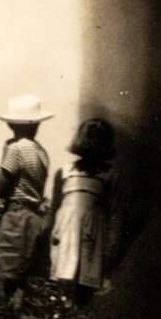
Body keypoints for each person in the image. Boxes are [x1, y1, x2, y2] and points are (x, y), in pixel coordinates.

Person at [0, 94, 52, 308]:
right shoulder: (41, 151)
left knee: (7, 280)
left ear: (10, 124)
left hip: (17, 216)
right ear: (36, 124)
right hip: (34, 217)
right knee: (24, 280)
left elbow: (0, 188)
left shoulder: (15, 149)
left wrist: (4, 154)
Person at [49, 118, 117, 308]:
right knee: (62, 286)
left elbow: (114, 214)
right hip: (65, 234)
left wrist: (110, 250)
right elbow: (55, 209)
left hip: (92, 237)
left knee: (84, 289)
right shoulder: (65, 172)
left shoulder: (109, 175)